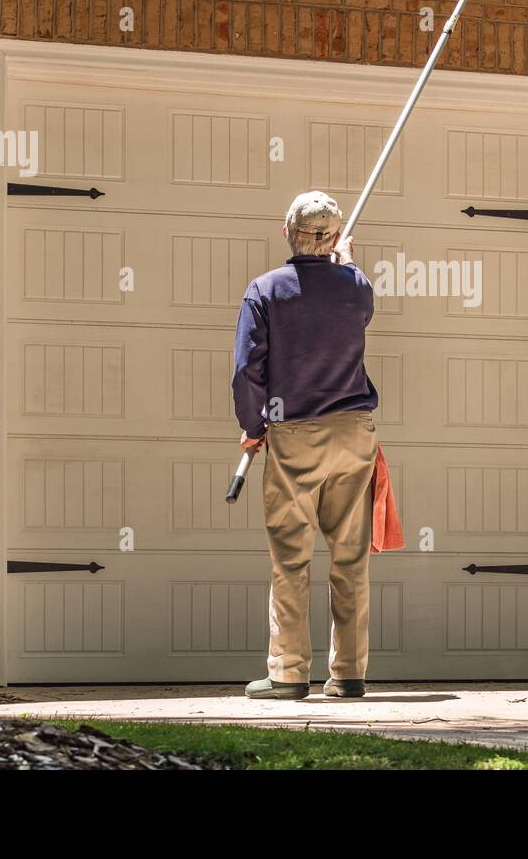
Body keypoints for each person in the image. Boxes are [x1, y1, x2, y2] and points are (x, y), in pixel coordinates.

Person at [231, 191, 379, 699]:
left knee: (292, 558)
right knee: (351, 557)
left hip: (293, 433)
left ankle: (289, 674)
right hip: (355, 431)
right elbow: (353, 303)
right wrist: (347, 263)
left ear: (285, 232)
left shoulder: (265, 291)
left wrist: (253, 426)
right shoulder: (357, 287)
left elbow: (247, 370)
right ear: (336, 239)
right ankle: (350, 673)